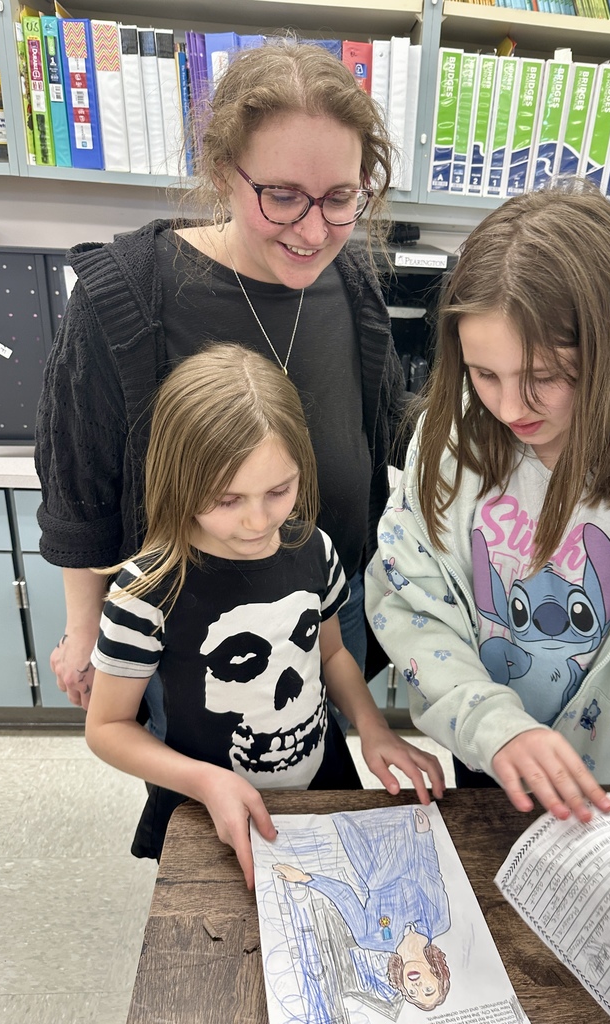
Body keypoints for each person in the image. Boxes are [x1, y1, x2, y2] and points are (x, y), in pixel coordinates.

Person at [365, 179, 610, 837]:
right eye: (484, 375)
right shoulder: (449, 446)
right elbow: (410, 605)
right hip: (495, 761)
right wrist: (494, 726)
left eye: (543, 378)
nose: (512, 407)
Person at [35, 40, 405, 717]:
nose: (314, 229)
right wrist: (83, 625)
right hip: (185, 631)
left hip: (326, 613)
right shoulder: (127, 296)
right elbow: (78, 485)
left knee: (312, 783)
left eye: (340, 198)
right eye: (283, 195)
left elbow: (378, 434)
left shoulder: (353, 286)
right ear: (222, 171)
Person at [84, 345, 444, 887]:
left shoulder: (314, 549)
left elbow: (332, 654)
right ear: (178, 482)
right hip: (203, 810)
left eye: (279, 490)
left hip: (323, 788)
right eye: (227, 500)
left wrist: (373, 728)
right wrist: (205, 783)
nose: (258, 520)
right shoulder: (145, 591)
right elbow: (108, 727)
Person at [273, 806, 450, 1010]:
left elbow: (344, 895)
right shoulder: (440, 920)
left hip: (367, 849)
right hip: (407, 836)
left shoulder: (369, 938)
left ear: (402, 983)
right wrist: (424, 835)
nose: (417, 986)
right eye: (428, 989)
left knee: (343, 804)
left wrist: (305, 879)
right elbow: (431, 874)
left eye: (412, 993)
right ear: (436, 972)